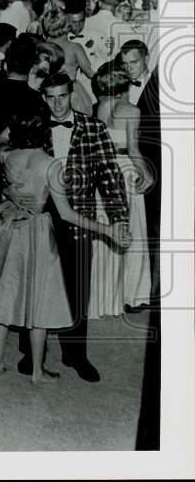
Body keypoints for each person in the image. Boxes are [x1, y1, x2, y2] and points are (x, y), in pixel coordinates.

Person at [0, 113, 130, 381]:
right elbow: (66, 214)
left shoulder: (9, 157)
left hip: (8, 227)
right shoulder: (51, 165)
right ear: (45, 135)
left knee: (3, 296)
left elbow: (2, 172)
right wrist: (107, 229)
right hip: (36, 232)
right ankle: (36, 371)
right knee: (39, 300)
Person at [11, 73, 129, 382]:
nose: (57, 103)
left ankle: (76, 354)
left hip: (80, 216)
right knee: (36, 284)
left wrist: (118, 218)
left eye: (62, 96)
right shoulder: (32, 128)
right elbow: (10, 163)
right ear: (43, 98)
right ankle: (31, 352)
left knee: (77, 286)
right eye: (50, 97)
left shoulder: (93, 127)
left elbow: (109, 175)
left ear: (71, 94)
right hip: (39, 217)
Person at [88, 63, 152, 315]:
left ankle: (104, 294)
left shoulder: (100, 108)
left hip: (104, 170)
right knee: (132, 231)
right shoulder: (132, 111)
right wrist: (147, 174)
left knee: (107, 232)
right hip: (125, 170)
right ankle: (132, 294)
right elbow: (134, 151)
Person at [117, 39, 160, 302]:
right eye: (125, 63)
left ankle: (152, 286)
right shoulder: (118, 87)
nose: (129, 68)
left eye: (134, 62)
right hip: (127, 165)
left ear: (145, 59)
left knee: (153, 225)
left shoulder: (158, 86)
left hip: (154, 161)